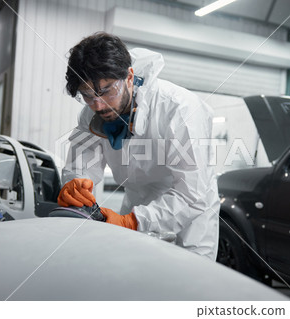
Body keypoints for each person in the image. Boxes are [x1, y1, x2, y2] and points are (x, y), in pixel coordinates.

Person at [59, 32, 220, 260]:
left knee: (187, 284)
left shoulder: (179, 109)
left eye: (106, 91)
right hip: (137, 201)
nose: (98, 104)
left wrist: (133, 221)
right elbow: (81, 166)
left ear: (129, 77)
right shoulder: (91, 115)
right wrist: (76, 184)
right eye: (87, 95)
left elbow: (193, 194)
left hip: (190, 214)